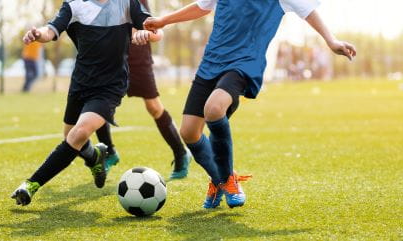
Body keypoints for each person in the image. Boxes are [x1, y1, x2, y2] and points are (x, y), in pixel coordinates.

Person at [141, 0, 356, 208]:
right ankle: (220, 178)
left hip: (244, 63)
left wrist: (331, 40)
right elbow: (202, 6)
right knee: (188, 132)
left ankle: (227, 180)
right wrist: (163, 21)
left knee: (214, 109)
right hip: (212, 62)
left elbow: (308, 11)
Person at [11, 0, 162, 206]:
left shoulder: (127, 3)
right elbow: (51, 30)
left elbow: (156, 31)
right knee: (70, 136)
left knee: (79, 133)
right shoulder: (74, 5)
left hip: (111, 86)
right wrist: (38, 34)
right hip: (81, 83)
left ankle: (31, 184)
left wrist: (146, 34)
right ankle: (94, 157)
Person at [97, 0, 191, 180]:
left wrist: (144, 33)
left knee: (154, 107)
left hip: (137, 57)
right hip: (110, 59)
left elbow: (154, 29)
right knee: (100, 104)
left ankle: (181, 152)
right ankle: (109, 152)